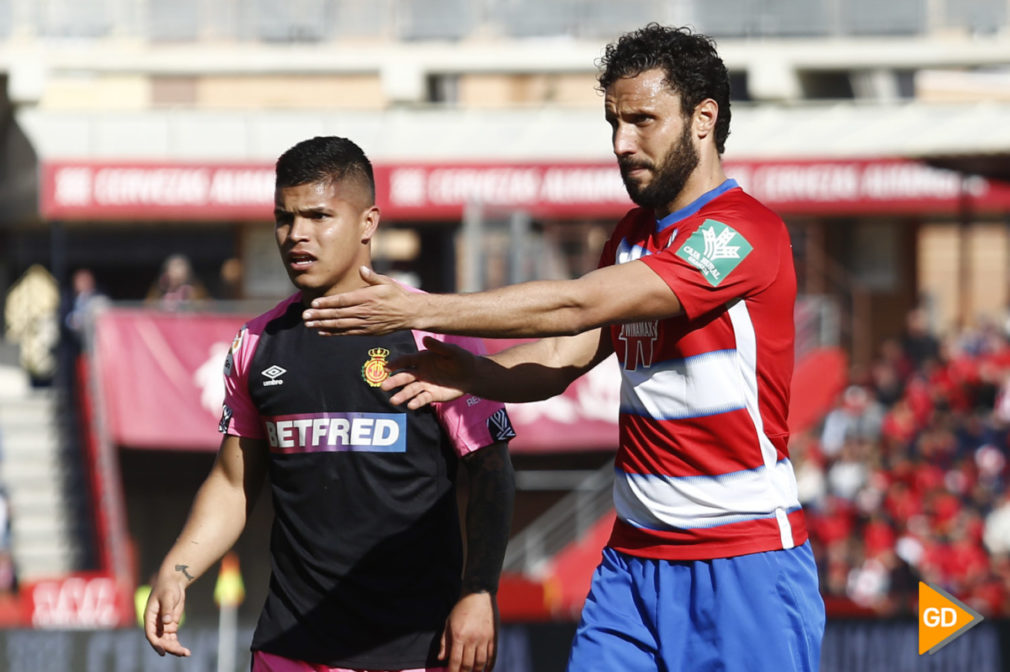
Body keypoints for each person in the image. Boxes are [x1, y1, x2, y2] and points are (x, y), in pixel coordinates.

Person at [301, 24, 824, 672]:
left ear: (703, 119)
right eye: (612, 122)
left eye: (641, 120)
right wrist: (471, 371)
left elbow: (579, 302)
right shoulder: (632, 236)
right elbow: (560, 356)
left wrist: (420, 307)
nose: (621, 142)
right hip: (633, 565)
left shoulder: (742, 233)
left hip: (742, 563)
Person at [144, 136, 516, 672]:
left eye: (318, 216)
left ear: (368, 223)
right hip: (290, 648)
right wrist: (177, 570)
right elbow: (233, 483)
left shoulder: (432, 332)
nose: (296, 235)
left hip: (414, 647)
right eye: (284, 218)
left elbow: (491, 470)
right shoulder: (256, 343)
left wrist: (479, 590)